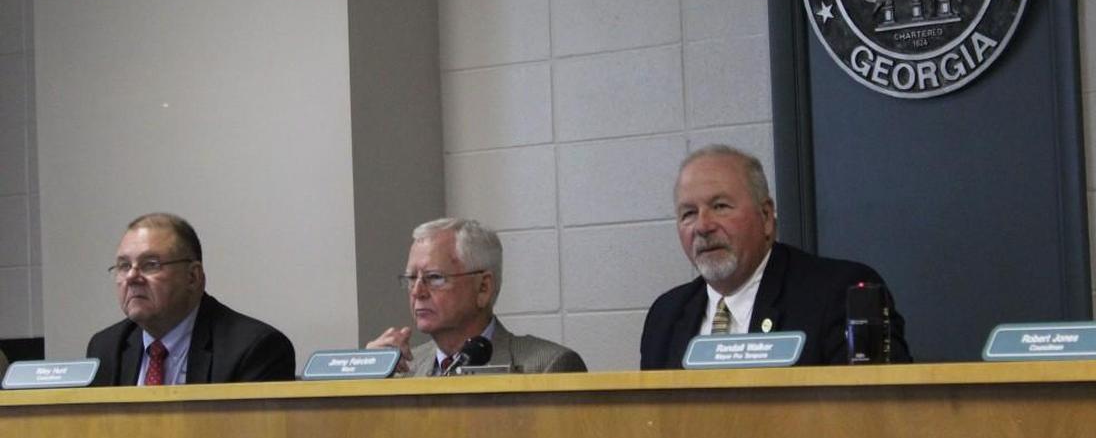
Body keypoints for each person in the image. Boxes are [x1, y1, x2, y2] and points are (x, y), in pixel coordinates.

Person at [641, 145, 912, 368]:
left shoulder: (840, 294)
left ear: (766, 217)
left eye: (720, 206)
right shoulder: (666, 315)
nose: (703, 226)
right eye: (688, 213)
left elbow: (881, 413)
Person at [87, 213, 295, 385]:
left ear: (193, 277)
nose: (132, 277)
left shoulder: (253, 349)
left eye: (150, 264)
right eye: (124, 266)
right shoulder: (107, 348)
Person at [368, 218, 587, 375]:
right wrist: (365, 378)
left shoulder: (547, 367)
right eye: (411, 278)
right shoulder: (402, 372)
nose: (417, 291)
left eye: (434, 277)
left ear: (483, 288)